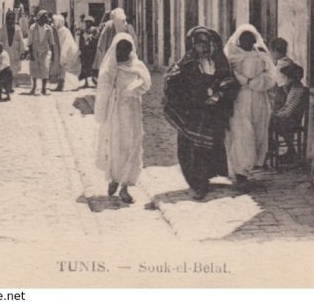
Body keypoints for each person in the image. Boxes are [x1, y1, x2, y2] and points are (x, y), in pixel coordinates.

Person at [163, 26, 238, 200]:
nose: (203, 48)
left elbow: (228, 80)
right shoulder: (186, 63)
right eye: (199, 44)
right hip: (193, 112)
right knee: (192, 148)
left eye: (206, 44)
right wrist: (196, 98)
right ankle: (197, 184)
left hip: (212, 111)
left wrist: (219, 95)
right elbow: (174, 84)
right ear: (193, 45)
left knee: (209, 146)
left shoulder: (219, 60)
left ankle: (207, 177)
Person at [95, 33, 151, 204]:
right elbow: (103, 91)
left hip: (133, 114)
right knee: (116, 146)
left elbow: (146, 83)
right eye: (120, 49)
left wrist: (132, 90)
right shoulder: (110, 68)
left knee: (132, 146)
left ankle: (125, 187)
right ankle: (114, 179)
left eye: (127, 48)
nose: (124, 52)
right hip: (116, 114)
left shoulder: (137, 66)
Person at [224, 24, 277, 189]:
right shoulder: (232, 57)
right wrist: (242, 80)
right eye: (243, 39)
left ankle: (248, 169)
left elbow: (271, 77)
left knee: (258, 132)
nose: (247, 42)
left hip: (259, 99)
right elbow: (227, 76)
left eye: (250, 39)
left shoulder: (261, 57)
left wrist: (255, 82)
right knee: (242, 134)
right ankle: (240, 172)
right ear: (239, 40)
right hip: (239, 99)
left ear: (254, 41)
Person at [270, 63, 309, 164]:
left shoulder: (299, 91)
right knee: (268, 119)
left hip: (292, 121)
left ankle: (273, 149)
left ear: (292, 78)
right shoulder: (293, 88)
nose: (284, 80)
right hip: (288, 119)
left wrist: (276, 115)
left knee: (267, 121)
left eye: (286, 78)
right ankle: (289, 151)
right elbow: (286, 108)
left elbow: (289, 112)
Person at [0, 10, 25, 91]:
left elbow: (21, 41)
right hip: (5, 53)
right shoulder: (3, 29)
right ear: (6, 19)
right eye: (9, 18)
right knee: (5, 71)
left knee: (13, 71)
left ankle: (10, 87)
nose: (10, 20)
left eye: (12, 19)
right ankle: (6, 87)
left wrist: (22, 52)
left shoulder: (18, 29)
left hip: (15, 53)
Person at [51, 14, 81, 91]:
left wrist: (63, 54)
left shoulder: (62, 30)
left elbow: (65, 42)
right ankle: (61, 85)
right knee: (62, 69)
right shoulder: (61, 29)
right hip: (63, 50)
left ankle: (61, 85)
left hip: (65, 50)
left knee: (63, 69)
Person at [27, 10, 55, 95]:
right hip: (35, 51)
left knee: (45, 68)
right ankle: (34, 87)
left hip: (45, 51)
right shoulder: (33, 27)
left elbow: (51, 42)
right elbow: (30, 42)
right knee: (34, 69)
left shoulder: (48, 29)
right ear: (40, 18)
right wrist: (31, 53)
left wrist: (53, 54)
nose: (47, 19)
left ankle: (43, 88)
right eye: (45, 17)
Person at [269, 37, 294, 111]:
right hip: (290, 93)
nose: (272, 55)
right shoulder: (289, 61)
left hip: (282, 95)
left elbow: (282, 85)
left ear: (276, 51)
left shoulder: (280, 66)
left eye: (272, 52)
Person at [77, 16, 99, 88]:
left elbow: (97, 39)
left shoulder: (94, 30)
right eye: (86, 22)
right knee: (84, 66)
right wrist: (80, 49)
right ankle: (86, 82)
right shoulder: (83, 30)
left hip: (92, 50)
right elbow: (80, 40)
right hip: (85, 51)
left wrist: (91, 38)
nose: (87, 23)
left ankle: (94, 80)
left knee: (92, 65)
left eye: (89, 22)